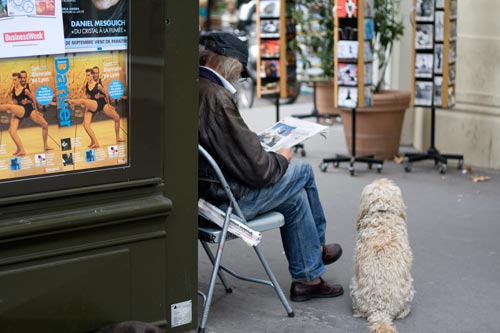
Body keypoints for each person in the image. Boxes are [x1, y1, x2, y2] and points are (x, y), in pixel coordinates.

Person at [198, 32, 344, 302]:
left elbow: (233, 149)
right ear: (230, 64)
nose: (239, 78)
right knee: (302, 171)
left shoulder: (198, 87)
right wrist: (282, 157)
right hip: (224, 204)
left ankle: (308, 279)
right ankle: (319, 247)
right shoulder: (217, 97)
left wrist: (259, 146)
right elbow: (261, 171)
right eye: (240, 73)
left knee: (296, 200)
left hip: (207, 196)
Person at [66, 68, 124, 148]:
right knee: (85, 125)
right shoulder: (86, 85)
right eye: (86, 75)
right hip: (92, 104)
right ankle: (95, 142)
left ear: (93, 75)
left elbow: (106, 94)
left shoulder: (98, 85)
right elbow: (87, 96)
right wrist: (84, 93)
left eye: (89, 75)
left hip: (101, 104)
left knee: (117, 117)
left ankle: (118, 137)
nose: (87, 77)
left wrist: (109, 104)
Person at [0, 72, 52, 155]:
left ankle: (45, 145)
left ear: (19, 80)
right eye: (13, 80)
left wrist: (37, 110)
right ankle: (21, 149)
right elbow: (13, 101)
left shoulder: (25, 90)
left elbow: (34, 99)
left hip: (28, 110)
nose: (14, 81)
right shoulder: (13, 90)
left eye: (15, 79)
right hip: (19, 110)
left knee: (45, 124)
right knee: (11, 131)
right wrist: (12, 101)